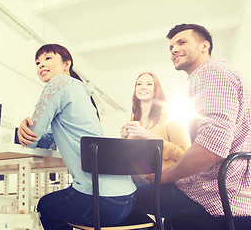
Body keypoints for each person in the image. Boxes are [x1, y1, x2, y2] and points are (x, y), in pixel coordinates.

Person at [133, 23, 251, 228]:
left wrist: (165, 177)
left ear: (204, 46)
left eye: (182, 42)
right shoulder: (207, 77)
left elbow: (211, 149)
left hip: (216, 194)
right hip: (223, 188)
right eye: (171, 47)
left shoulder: (213, 72)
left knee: (121, 198)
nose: (174, 50)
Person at [17, 44, 136, 230]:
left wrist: (23, 130)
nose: (41, 65)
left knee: (45, 206)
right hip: (128, 198)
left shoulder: (58, 83)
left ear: (67, 64)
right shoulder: (82, 91)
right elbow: (46, 139)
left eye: (48, 58)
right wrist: (30, 129)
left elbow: (30, 141)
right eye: (37, 62)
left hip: (101, 201)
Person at [120, 72, 190, 179]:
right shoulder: (132, 121)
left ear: (156, 90)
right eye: (139, 84)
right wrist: (125, 140)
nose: (143, 87)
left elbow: (184, 155)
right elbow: (130, 160)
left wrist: (148, 135)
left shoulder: (169, 117)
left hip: (168, 180)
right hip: (140, 179)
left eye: (149, 84)